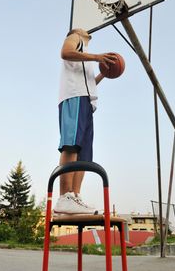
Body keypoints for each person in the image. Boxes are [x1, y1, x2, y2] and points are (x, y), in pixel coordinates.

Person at [54, 28, 116, 214]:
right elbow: (65, 53)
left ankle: (75, 197)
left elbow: (90, 84)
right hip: (74, 97)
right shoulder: (75, 37)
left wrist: (104, 73)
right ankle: (64, 197)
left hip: (87, 102)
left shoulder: (85, 57)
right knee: (71, 145)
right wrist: (97, 57)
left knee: (84, 154)